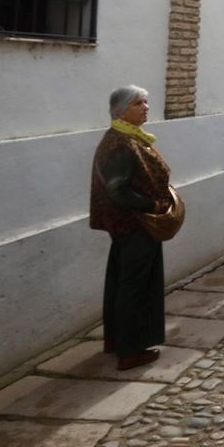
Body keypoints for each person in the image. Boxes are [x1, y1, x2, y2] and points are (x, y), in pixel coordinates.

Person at [90, 86, 169, 371]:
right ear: (121, 110)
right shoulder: (121, 144)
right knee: (134, 286)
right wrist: (152, 205)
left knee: (121, 281)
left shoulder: (129, 137)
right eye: (138, 103)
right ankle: (130, 350)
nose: (146, 107)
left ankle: (116, 339)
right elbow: (118, 190)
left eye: (146, 102)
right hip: (134, 224)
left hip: (129, 224)